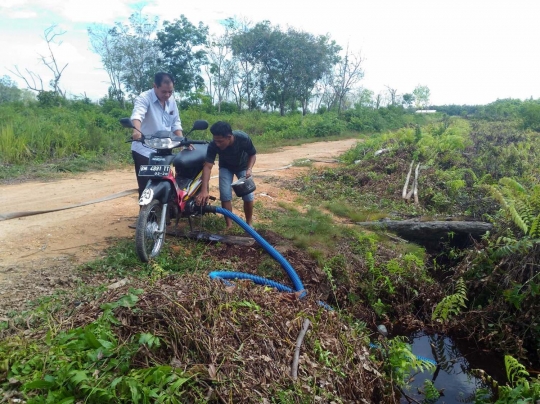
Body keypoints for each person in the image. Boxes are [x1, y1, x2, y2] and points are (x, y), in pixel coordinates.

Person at [130, 72, 183, 198]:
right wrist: (136, 131)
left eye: (170, 91)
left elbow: (175, 122)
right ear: (155, 86)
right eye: (164, 91)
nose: (167, 95)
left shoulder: (171, 101)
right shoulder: (144, 98)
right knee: (146, 187)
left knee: (165, 183)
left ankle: (164, 213)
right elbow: (137, 115)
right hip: (144, 149)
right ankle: (145, 215)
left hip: (165, 149)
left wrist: (182, 141)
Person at [196, 121, 257, 229]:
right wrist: (204, 190)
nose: (217, 144)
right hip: (225, 167)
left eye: (220, 141)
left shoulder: (243, 138)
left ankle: (249, 223)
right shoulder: (213, 144)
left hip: (243, 166)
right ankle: (229, 225)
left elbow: (252, 154)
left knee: (248, 195)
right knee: (225, 195)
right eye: (216, 141)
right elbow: (207, 166)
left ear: (229, 137)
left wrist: (249, 169)